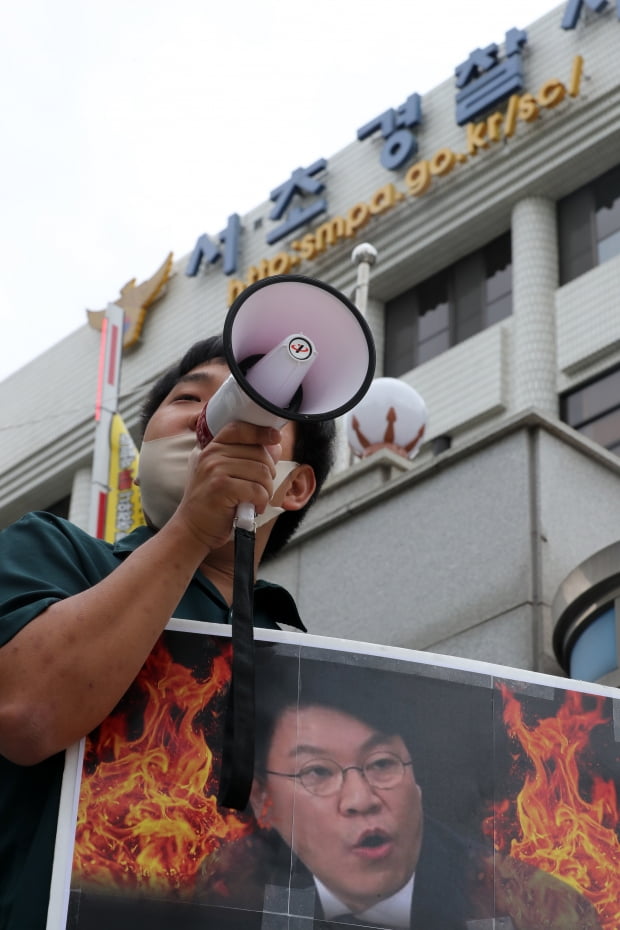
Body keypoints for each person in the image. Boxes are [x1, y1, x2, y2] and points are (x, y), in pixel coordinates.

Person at [0, 334, 337, 930]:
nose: (213, 421)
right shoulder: (54, 555)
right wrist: (190, 531)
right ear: (142, 454)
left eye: (259, 411)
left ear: (296, 485)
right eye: (190, 400)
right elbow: (26, 713)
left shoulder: (310, 663)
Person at [245, 655, 604, 930]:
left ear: (416, 777)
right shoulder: (217, 892)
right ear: (263, 800)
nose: (361, 800)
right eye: (317, 772)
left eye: (382, 764)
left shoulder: (535, 904)